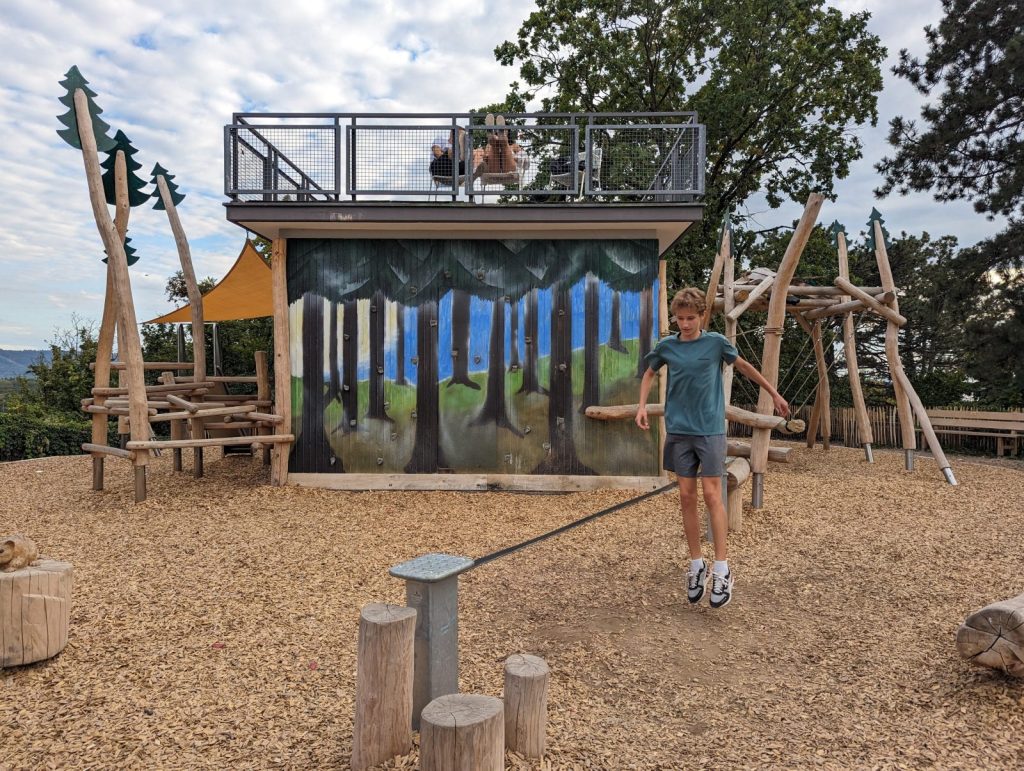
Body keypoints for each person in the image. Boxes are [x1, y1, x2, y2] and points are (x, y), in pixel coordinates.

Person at [635, 287, 789, 609]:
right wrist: (641, 406)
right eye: (680, 319)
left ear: (702, 316)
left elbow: (744, 367)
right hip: (678, 430)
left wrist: (773, 394)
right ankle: (696, 564)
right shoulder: (667, 346)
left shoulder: (716, 343)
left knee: (712, 494)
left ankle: (722, 568)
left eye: (691, 318)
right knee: (686, 497)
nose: (685, 324)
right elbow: (649, 372)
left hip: (709, 431)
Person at [472, 114, 521, 178]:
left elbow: (524, 158)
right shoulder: (489, 145)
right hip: (494, 170)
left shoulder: (514, 146)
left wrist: (516, 158)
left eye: (504, 130)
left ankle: (502, 140)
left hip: (509, 171)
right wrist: (485, 157)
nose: (505, 131)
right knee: (493, 145)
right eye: (499, 130)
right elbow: (484, 157)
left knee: (504, 145)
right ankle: (491, 136)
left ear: (508, 132)